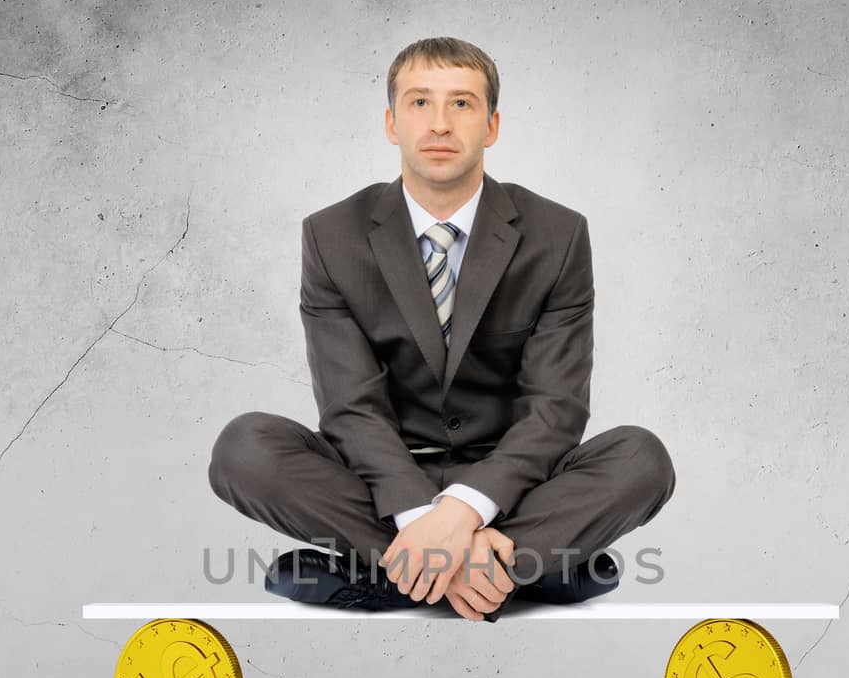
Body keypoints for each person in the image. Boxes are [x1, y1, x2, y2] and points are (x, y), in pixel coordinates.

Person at [209, 35, 676, 620]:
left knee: (643, 460)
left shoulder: (558, 235)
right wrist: (420, 517)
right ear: (391, 123)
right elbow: (351, 408)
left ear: (491, 125)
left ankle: (390, 577)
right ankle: (510, 573)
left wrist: (464, 512)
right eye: (419, 103)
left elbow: (555, 410)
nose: (439, 124)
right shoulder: (331, 237)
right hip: (381, 485)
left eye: (461, 103)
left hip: (512, 486)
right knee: (244, 450)